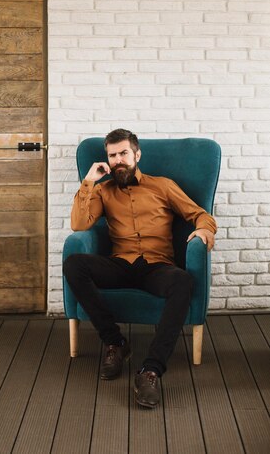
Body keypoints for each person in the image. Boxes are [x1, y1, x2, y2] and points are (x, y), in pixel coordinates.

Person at [63, 128, 217, 408]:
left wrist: (204, 231)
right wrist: (88, 181)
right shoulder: (102, 190)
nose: (119, 160)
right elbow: (79, 224)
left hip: (156, 266)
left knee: (182, 281)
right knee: (74, 264)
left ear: (137, 154)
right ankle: (115, 343)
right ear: (107, 160)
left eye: (123, 153)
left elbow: (200, 214)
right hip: (120, 263)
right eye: (113, 155)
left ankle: (151, 370)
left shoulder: (163, 185)